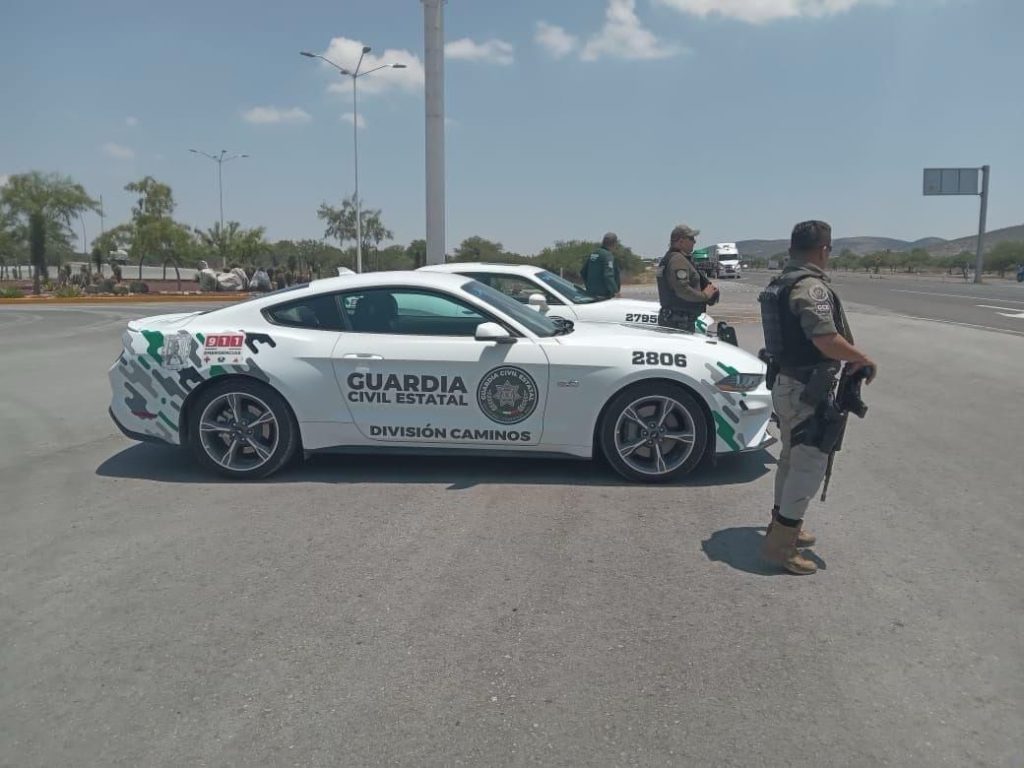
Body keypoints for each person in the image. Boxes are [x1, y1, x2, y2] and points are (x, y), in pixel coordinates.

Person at [759, 220, 877, 575]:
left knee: (790, 459)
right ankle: (781, 545)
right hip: (804, 389)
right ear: (824, 250)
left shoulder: (782, 282)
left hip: (787, 383)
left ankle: (783, 524)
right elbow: (825, 339)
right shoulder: (809, 287)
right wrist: (861, 358)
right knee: (808, 464)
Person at [656, 224, 719, 331]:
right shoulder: (678, 260)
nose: (694, 242)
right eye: (691, 238)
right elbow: (683, 290)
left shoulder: (671, 258)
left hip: (676, 319)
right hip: (680, 322)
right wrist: (705, 295)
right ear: (681, 241)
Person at [581, 233, 621, 299]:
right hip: (603, 296)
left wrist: (589, 286)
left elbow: (583, 272)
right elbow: (608, 275)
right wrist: (615, 292)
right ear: (614, 243)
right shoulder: (607, 255)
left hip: (590, 294)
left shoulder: (594, 253)